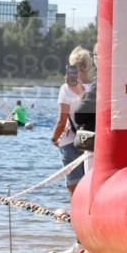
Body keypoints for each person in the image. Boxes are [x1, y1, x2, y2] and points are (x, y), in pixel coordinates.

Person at [51, 46, 92, 199]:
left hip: (69, 142)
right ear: (89, 66)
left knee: (75, 192)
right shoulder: (95, 87)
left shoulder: (66, 88)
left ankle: (75, 214)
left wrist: (54, 138)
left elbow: (61, 121)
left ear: (71, 66)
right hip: (90, 141)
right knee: (90, 187)